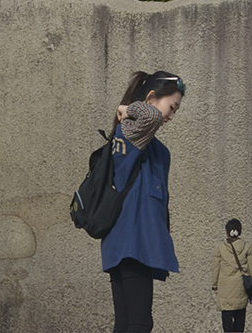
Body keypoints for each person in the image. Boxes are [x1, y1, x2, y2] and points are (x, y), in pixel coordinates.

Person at [101, 71, 185, 333]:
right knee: (139, 322)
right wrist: (126, 108)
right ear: (151, 97)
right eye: (171, 107)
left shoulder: (144, 140)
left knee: (127, 322)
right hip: (133, 240)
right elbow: (149, 115)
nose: (171, 116)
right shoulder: (133, 130)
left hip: (125, 242)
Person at [211, 219, 252, 332]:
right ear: (239, 231)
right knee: (240, 318)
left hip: (225, 289)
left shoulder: (220, 247)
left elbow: (216, 268)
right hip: (241, 288)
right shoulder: (246, 247)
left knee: (226, 319)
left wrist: (214, 285)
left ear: (227, 232)